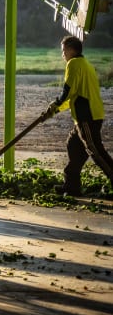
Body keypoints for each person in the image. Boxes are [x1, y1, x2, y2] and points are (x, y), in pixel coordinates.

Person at [42, 35, 113, 195]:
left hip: (87, 116)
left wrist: (55, 103)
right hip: (88, 115)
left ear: (70, 50)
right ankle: (72, 185)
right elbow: (74, 95)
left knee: (95, 151)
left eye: (63, 51)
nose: (62, 55)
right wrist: (55, 110)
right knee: (73, 145)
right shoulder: (85, 64)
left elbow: (67, 91)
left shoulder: (73, 64)